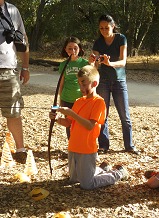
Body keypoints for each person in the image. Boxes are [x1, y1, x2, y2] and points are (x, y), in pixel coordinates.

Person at [49, 65, 129, 190]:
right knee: (74, 179)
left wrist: (72, 113)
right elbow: (69, 123)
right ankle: (101, 169)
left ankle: (118, 173)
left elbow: (90, 126)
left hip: (87, 149)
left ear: (95, 83)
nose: (81, 88)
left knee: (87, 184)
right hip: (73, 147)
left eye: (84, 84)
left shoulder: (99, 102)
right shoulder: (79, 101)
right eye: (80, 84)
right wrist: (56, 119)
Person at [89, 14, 139, 154]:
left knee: (125, 115)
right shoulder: (98, 42)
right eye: (101, 28)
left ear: (113, 26)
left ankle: (129, 146)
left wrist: (110, 63)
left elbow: (123, 61)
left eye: (107, 27)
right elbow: (94, 64)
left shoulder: (121, 38)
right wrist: (94, 60)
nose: (104, 30)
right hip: (103, 81)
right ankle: (103, 145)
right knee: (102, 114)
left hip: (119, 81)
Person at [0, 1, 30, 164]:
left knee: (13, 111)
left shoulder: (12, 10)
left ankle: (20, 150)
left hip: (8, 70)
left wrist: (25, 67)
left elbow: (23, 39)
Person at [59, 36, 89, 139]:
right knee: (69, 123)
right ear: (65, 49)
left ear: (79, 48)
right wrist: (60, 99)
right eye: (70, 48)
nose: (73, 50)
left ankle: (81, 146)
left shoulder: (84, 63)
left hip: (80, 98)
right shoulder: (63, 64)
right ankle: (71, 145)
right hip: (66, 98)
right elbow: (61, 83)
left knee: (81, 122)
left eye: (75, 48)